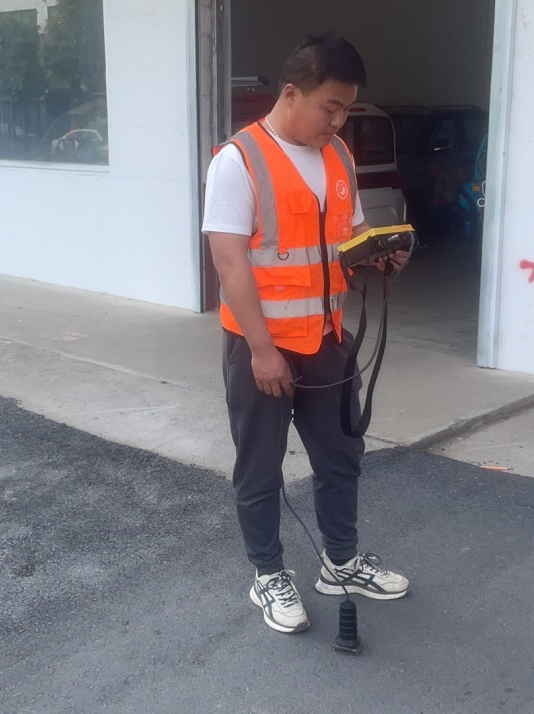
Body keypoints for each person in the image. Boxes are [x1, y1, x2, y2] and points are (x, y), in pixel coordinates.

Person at [202, 31, 411, 635]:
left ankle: (340, 563)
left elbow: (348, 237)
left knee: (341, 456)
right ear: (292, 93)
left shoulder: (338, 156)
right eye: (331, 108)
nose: (338, 122)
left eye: (346, 109)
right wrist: (262, 350)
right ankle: (268, 574)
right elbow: (231, 264)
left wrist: (377, 256)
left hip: (326, 342)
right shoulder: (238, 160)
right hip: (261, 350)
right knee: (260, 466)